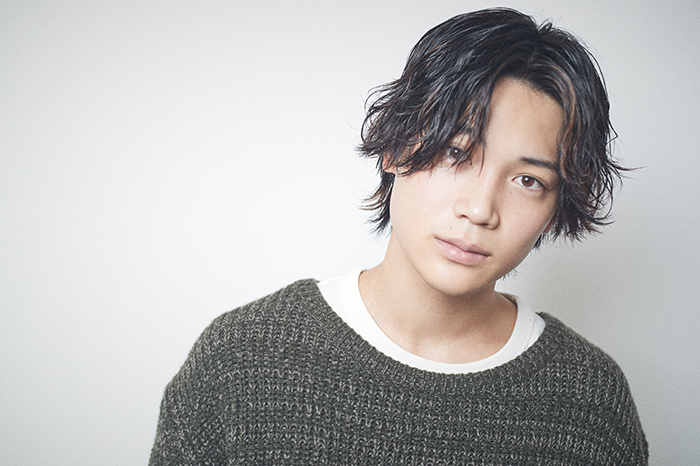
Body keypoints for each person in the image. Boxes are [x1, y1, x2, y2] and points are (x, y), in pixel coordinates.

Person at [149, 8, 648, 465]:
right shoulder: (244, 356)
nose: (479, 209)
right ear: (395, 146)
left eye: (528, 181)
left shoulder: (590, 401)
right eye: (456, 153)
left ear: (555, 207)